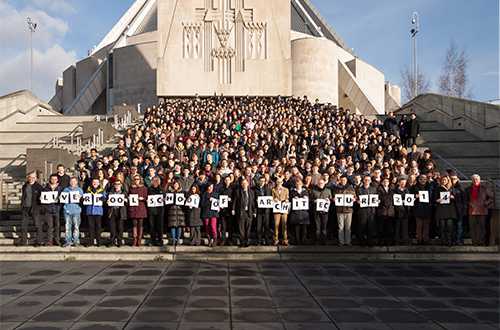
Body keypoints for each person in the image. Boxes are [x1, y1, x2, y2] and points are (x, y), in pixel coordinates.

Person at [465, 174, 494, 246]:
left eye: (477, 179)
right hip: (472, 210)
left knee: (482, 227)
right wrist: (468, 203)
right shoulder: (468, 189)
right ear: (472, 180)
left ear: (479, 180)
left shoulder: (484, 188)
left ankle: (481, 242)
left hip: (482, 210)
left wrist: (485, 203)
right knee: (472, 227)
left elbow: (491, 198)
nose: (475, 180)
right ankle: (474, 242)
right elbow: (465, 199)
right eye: (474, 179)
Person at [20, 172, 43, 246]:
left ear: (36, 178)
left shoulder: (39, 187)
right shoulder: (25, 186)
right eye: (30, 177)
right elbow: (24, 196)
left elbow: (42, 198)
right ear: (28, 177)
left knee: (37, 225)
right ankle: (23, 241)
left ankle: (38, 241)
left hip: (35, 208)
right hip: (25, 208)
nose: (31, 179)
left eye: (33, 177)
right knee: (24, 225)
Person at [233, 178, 256, 247]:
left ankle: (247, 241)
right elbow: (235, 201)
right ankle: (242, 242)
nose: (244, 184)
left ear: (248, 184)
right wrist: (233, 209)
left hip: (249, 212)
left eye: (245, 183)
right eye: (243, 183)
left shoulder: (251, 192)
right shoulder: (238, 191)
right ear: (241, 184)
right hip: (241, 212)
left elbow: (253, 203)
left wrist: (254, 211)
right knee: (241, 228)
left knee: (248, 228)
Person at [41, 174, 63, 246]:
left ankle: (57, 240)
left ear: (57, 180)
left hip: (57, 209)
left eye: (55, 179)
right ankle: (49, 241)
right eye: (52, 179)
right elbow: (42, 197)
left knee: (57, 226)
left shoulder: (60, 188)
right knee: (49, 226)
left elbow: (63, 198)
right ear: (50, 180)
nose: (54, 180)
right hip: (48, 209)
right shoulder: (45, 188)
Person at [411, 174, 433, 245]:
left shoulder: (430, 187)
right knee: (419, 226)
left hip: (427, 208)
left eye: (424, 179)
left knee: (426, 225)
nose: (423, 180)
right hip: (418, 208)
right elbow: (410, 197)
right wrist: (415, 196)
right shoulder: (414, 187)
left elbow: (432, 197)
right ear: (418, 179)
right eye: (421, 179)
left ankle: (426, 239)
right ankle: (419, 240)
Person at [356, 175, 378, 246]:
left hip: (371, 210)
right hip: (362, 210)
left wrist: (377, 201)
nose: (367, 181)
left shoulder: (374, 189)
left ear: (370, 181)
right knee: (362, 226)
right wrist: (357, 201)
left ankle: (370, 242)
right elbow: (356, 198)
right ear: (363, 180)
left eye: (368, 180)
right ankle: (362, 242)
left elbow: (376, 198)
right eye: (365, 180)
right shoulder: (359, 189)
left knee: (370, 227)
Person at [62, 177, 84, 247]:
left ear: (77, 182)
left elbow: (83, 201)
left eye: (74, 181)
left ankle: (76, 241)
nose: (72, 183)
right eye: (71, 181)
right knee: (67, 227)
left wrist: (81, 198)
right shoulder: (66, 190)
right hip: (67, 210)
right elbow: (62, 199)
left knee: (76, 227)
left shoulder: (80, 190)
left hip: (76, 211)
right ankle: (68, 241)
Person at [335, 175, 356, 246]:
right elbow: (334, 197)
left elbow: (354, 197)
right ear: (340, 180)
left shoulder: (351, 188)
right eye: (342, 180)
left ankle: (348, 241)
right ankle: (341, 242)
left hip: (348, 210)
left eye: (344, 180)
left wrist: (354, 199)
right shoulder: (337, 188)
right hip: (339, 210)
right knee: (340, 227)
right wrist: (334, 199)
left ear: (346, 180)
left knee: (348, 227)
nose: (343, 181)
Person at [128, 174, 148, 247]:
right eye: (135, 179)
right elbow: (129, 196)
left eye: (138, 179)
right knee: (134, 224)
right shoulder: (131, 188)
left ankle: (139, 239)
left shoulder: (144, 188)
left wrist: (143, 198)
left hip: (141, 207)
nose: (136, 180)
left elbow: (147, 197)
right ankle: (135, 239)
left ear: (140, 180)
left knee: (140, 224)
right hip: (133, 208)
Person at [310, 178, 332, 244]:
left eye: (322, 183)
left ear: (324, 183)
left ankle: (324, 241)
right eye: (319, 183)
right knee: (317, 227)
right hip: (316, 211)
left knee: (324, 227)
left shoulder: (328, 190)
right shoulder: (313, 191)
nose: (320, 184)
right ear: (317, 184)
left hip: (325, 212)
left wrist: (329, 200)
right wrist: (314, 201)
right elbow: (310, 200)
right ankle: (317, 240)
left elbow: (331, 200)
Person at [85, 178, 106, 247]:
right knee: (91, 227)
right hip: (90, 210)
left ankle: (98, 242)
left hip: (98, 211)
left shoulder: (102, 190)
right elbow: (85, 198)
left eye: (96, 182)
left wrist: (103, 199)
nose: (95, 183)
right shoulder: (88, 190)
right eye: (94, 182)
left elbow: (105, 198)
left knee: (98, 227)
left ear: (99, 183)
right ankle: (91, 241)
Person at [107, 181, 127, 247]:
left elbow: (128, 202)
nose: (117, 185)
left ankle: (119, 241)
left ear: (121, 185)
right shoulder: (110, 193)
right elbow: (107, 202)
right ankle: (112, 241)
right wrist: (107, 202)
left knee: (120, 227)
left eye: (118, 184)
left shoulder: (124, 193)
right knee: (112, 227)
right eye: (116, 184)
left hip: (120, 211)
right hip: (112, 211)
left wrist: (126, 200)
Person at [254, 176, 272, 245]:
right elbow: (253, 200)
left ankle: (267, 240)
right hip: (259, 211)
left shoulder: (268, 189)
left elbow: (271, 199)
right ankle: (259, 241)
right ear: (258, 181)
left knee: (266, 226)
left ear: (265, 182)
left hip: (266, 211)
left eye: (263, 181)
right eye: (261, 181)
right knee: (259, 227)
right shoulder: (255, 189)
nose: (262, 182)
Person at [376, 177, 395, 245]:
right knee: (381, 228)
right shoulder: (378, 189)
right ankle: (381, 241)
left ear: (389, 182)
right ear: (382, 182)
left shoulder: (392, 190)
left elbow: (394, 199)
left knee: (389, 228)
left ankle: (389, 241)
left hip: (390, 211)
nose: (386, 182)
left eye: (387, 181)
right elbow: (379, 199)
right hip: (382, 211)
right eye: (384, 181)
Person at [167, 180, 186, 246]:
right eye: (175, 185)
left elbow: (185, 202)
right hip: (172, 210)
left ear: (179, 185)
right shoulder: (169, 193)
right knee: (173, 226)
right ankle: (174, 239)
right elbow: (167, 202)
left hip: (180, 211)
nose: (176, 186)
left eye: (177, 185)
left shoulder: (183, 192)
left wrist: (184, 200)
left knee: (179, 226)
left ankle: (178, 239)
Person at [449, 172, 466, 245]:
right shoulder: (448, 187)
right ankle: (453, 240)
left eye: (454, 179)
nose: (453, 180)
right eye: (451, 179)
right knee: (453, 227)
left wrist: (454, 198)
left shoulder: (461, 188)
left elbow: (464, 200)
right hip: (451, 210)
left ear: (457, 179)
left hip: (459, 210)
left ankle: (459, 240)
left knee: (459, 226)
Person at [147, 177, 165, 246]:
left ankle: (160, 240)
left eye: (157, 181)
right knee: (152, 226)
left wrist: (164, 199)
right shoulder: (149, 189)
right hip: (152, 210)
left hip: (160, 210)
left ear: (159, 182)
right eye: (154, 181)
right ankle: (152, 240)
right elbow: (147, 197)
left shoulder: (162, 189)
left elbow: (165, 198)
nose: (155, 182)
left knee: (160, 226)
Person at [272, 177, 289, 246]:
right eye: (278, 182)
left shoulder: (286, 189)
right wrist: (274, 199)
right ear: (276, 182)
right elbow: (271, 198)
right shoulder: (273, 190)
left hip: (284, 209)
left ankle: (285, 239)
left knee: (284, 225)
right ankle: (276, 239)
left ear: (282, 182)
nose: (279, 183)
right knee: (276, 225)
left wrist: (287, 200)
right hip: (277, 209)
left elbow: (287, 197)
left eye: (280, 182)